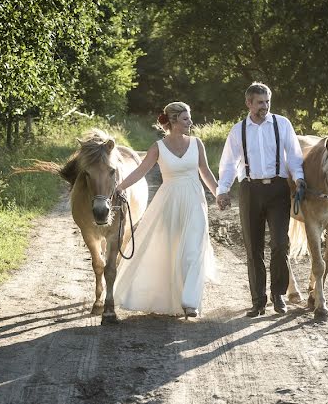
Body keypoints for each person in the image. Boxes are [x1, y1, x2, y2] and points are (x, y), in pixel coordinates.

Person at [113, 101, 219, 318]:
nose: (190, 122)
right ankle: (166, 296)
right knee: (169, 251)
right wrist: (119, 187)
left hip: (194, 200)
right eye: (186, 119)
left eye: (189, 118)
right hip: (168, 202)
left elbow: (205, 172)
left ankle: (190, 302)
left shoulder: (197, 143)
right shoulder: (158, 147)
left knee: (193, 249)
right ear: (173, 121)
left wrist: (220, 194)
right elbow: (141, 171)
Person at [216, 82, 306, 316]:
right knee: (253, 248)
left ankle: (278, 295)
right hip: (249, 191)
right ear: (248, 103)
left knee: (279, 244)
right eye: (259, 102)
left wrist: (298, 179)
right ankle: (258, 301)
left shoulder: (282, 124)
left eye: (267, 102)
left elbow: (295, 156)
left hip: (278, 189)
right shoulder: (238, 130)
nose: (264, 106)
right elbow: (228, 164)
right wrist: (222, 190)